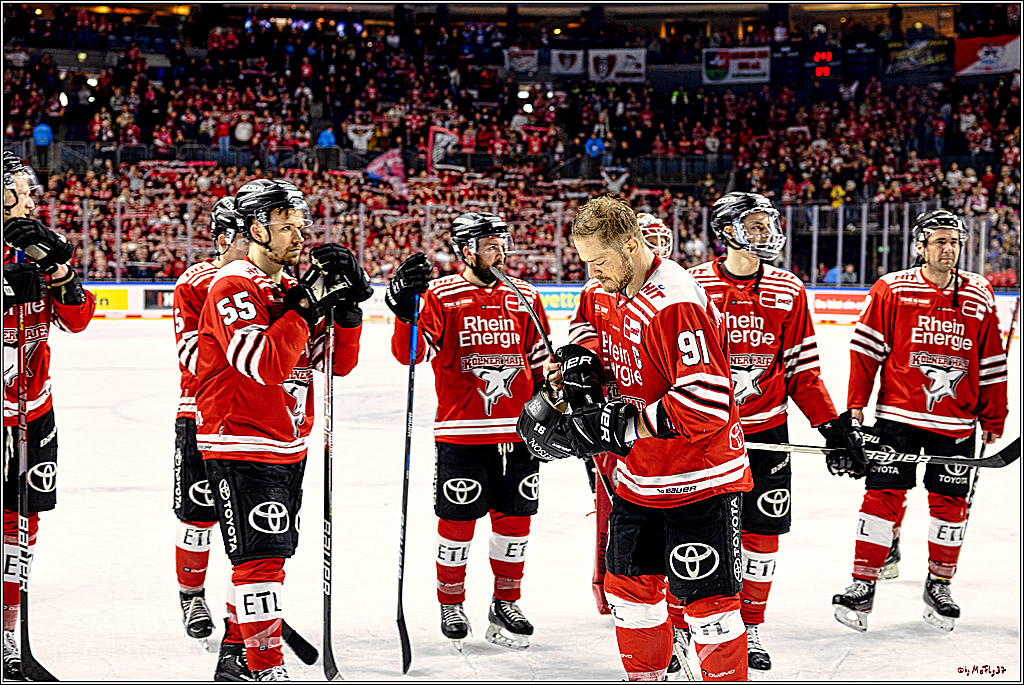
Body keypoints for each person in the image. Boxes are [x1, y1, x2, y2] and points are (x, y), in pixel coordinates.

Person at [541, 194, 754, 681]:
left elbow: (706, 402)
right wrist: (583, 362)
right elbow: (626, 359)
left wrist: (620, 425)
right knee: (629, 594)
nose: (592, 273)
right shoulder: (620, 291)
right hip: (641, 475)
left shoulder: (674, 301)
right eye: (586, 262)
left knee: (710, 610)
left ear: (631, 246)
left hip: (700, 479)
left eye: (599, 261)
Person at [195, 179, 369, 681]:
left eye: (300, 226)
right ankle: (267, 668)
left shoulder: (281, 289)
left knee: (268, 559)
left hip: (287, 439)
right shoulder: (232, 285)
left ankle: (239, 659)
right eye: (286, 227)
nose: (299, 236)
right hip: (241, 437)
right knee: (262, 562)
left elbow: (334, 364)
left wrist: (348, 314)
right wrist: (305, 305)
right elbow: (264, 362)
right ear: (256, 230)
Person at [688, 192, 867, 673]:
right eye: (755, 225)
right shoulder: (696, 286)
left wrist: (834, 428)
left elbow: (802, 370)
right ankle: (693, 629)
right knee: (699, 536)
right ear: (728, 232)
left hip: (769, 436)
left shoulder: (788, 290)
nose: (767, 234)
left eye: (769, 225)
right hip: (707, 437)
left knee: (762, 535)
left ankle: (752, 626)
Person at [832, 209, 1008, 633]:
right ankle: (862, 583)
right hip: (897, 416)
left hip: (957, 422)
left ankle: (940, 582)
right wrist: (856, 404)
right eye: (940, 242)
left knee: (950, 506)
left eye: (954, 242)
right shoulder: (892, 288)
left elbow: (991, 361)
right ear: (921, 246)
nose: (948, 249)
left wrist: (995, 414)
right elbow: (866, 349)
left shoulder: (979, 294)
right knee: (881, 498)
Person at [385, 212, 552, 651]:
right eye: (491, 245)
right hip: (462, 432)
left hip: (521, 434)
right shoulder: (440, 294)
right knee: (456, 524)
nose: (500, 253)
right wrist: (407, 313)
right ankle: (451, 602)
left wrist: (553, 405)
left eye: (503, 244)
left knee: (515, 523)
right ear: (466, 250)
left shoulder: (526, 295)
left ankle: (505, 602)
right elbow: (412, 353)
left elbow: (539, 363)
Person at [2, 150, 97, 680]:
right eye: (23, 191)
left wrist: (59, 270)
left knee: (27, 521)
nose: (33, 201)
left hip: (35, 411)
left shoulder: (40, 246)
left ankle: (11, 633)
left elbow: (79, 319)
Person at [171, 197, 250, 646]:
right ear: (222, 239)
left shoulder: (275, 281)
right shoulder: (197, 282)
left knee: (252, 523)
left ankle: (245, 602)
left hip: (260, 423)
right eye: (244, 237)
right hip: (201, 414)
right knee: (199, 515)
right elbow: (192, 356)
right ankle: (191, 595)